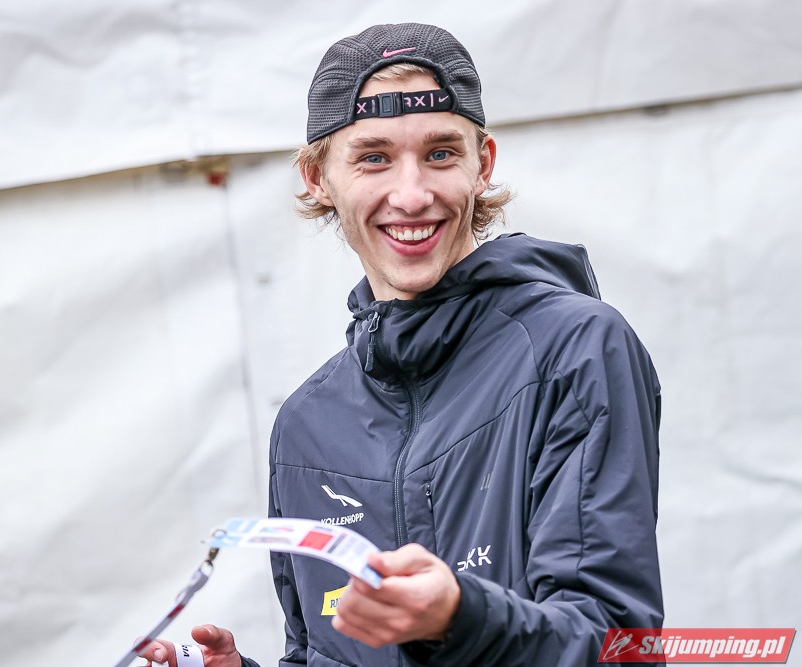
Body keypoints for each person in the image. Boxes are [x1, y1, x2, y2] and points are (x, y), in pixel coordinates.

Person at [142, 22, 663, 667]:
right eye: (374, 158)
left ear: (483, 164)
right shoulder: (306, 425)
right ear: (316, 177)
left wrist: (459, 619)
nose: (412, 196)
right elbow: (321, 654)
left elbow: (618, 645)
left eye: (440, 154)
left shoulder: (575, 348)